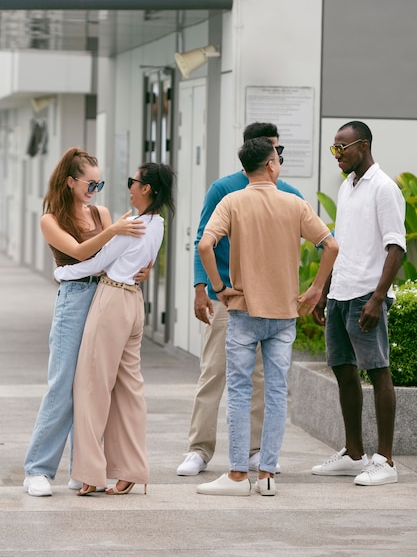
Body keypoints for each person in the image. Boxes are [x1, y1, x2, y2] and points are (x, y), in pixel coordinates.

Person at [196, 137, 338, 496]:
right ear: (271, 165)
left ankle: (238, 476)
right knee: (276, 392)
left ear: (246, 169)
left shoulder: (232, 200)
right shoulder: (294, 203)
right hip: (284, 313)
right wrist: (316, 288)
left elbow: (204, 244)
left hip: (244, 310)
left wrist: (218, 286)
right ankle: (268, 474)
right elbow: (331, 245)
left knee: (240, 391)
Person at [176, 122, 303, 477]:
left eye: (280, 151)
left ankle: (255, 451)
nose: (277, 158)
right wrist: (204, 288)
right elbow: (204, 238)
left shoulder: (290, 193)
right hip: (228, 299)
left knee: (261, 380)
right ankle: (199, 449)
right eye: (273, 152)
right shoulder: (224, 190)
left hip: (270, 305)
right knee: (214, 372)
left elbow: (314, 238)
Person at [24, 148, 148, 497]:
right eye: (90, 183)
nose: (95, 189)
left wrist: (144, 268)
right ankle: (37, 470)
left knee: (93, 386)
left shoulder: (102, 212)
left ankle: (84, 469)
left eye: (100, 183)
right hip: (75, 300)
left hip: (105, 296)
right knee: (62, 385)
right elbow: (80, 253)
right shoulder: (51, 219)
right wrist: (116, 231)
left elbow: (118, 255)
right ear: (70, 181)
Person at [54, 162, 175, 496]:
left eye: (133, 181)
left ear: (147, 188)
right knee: (129, 391)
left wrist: (62, 274)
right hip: (134, 304)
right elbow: (140, 263)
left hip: (112, 301)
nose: (130, 186)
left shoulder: (133, 224)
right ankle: (130, 470)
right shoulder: (158, 224)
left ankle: (91, 473)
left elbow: (97, 263)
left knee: (91, 386)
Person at [311, 121, 406, 486]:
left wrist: (378, 297)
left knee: (378, 371)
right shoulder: (348, 187)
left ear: (363, 146)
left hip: (366, 295)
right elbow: (342, 246)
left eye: (342, 148)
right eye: (334, 148)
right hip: (341, 293)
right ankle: (354, 453)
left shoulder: (383, 188)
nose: (337, 154)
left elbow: (396, 246)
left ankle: (385, 460)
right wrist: (325, 289)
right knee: (343, 370)